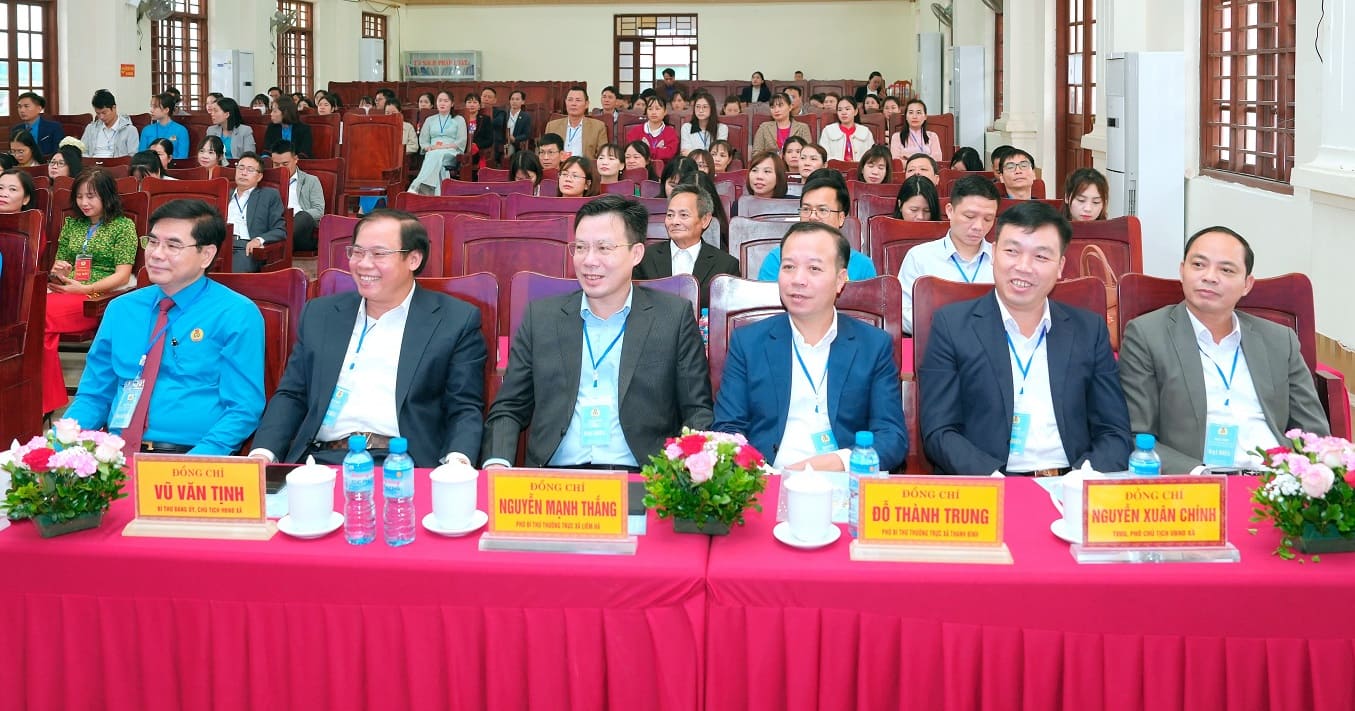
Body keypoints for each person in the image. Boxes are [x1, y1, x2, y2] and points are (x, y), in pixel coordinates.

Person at [482, 195, 714, 468]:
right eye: (581, 247)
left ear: (636, 254)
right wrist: (497, 463)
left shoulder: (672, 318)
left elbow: (697, 411)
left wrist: (685, 474)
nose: (589, 260)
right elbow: (509, 407)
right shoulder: (541, 318)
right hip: (554, 479)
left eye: (604, 248)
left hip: (641, 476)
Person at [250, 209, 485, 467]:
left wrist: (457, 463)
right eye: (357, 252)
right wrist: (262, 454)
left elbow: (464, 408)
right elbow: (292, 395)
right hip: (321, 461)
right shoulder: (320, 314)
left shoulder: (455, 320)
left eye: (378, 254)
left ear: (413, 259)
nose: (363, 264)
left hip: (405, 464)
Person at [918, 201, 1131, 475]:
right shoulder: (952, 326)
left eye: (1041, 256)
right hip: (990, 482)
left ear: (1060, 266)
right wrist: (996, 482)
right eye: (1012, 251)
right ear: (993, 253)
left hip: (1072, 479)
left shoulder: (1089, 330)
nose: (1024, 266)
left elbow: (1115, 432)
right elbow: (939, 431)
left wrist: (1081, 478)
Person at [1118, 227, 1329, 473]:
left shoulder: (1280, 340)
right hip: (1200, 480)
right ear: (1182, 271)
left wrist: (1299, 478)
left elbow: (1314, 434)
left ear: (1247, 284)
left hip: (1275, 481)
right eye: (1198, 265)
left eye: (1226, 270)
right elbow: (1136, 435)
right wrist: (1202, 476)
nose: (1210, 277)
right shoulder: (1147, 335)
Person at [63, 199, 265, 455]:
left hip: (190, 455)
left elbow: (243, 409)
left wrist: (191, 464)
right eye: (152, 241)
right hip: (115, 456)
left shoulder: (236, 313)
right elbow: (94, 396)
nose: (156, 254)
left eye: (173, 245)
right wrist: (56, 448)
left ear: (206, 255)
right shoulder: (121, 309)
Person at [715, 220, 907, 472]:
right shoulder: (748, 342)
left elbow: (891, 437)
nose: (798, 279)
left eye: (814, 268)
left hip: (844, 479)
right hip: (766, 479)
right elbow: (727, 430)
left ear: (840, 280)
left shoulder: (873, 345)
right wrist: (761, 474)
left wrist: (833, 463)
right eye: (789, 267)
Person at [41, 170, 139, 413]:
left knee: (39, 319)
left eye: (91, 196)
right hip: (66, 289)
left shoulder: (123, 226)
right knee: (30, 316)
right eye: (79, 196)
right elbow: (60, 264)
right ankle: (41, 397)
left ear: (107, 196)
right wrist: (60, 269)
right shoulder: (72, 225)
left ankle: (44, 400)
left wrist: (86, 288)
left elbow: (123, 275)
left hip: (98, 295)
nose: (84, 202)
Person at [896, 175, 1000, 333]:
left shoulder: (1002, 259)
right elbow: (902, 313)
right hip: (937, 342)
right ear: (950, 211)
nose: (979, 226)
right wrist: (951, 330)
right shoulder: (920, 257)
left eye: (988, 219)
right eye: (970, 217)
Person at [634, 184, 739, 309]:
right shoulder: (644, 258)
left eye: (683, 215)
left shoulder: (726, 265)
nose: (674, 222)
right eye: (670, 215)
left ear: (705, 220)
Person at [757, 173, 877, 282]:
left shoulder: (862, 266)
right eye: (806, 209)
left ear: (841, 218)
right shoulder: (778, 259)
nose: (813, 217)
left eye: (822, 210)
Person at [226, 152, 286, 273]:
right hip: (219, 245)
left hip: (246, 248)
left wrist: (259, 240)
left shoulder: (269, 195)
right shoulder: (224, 194)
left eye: (250, 170)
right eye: (241, 168)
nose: (243, 173)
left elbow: (280, 230)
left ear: (259, 177)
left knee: (232, 273)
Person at [269, 140, 323, 252]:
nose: (281, 168)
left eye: (285, 164)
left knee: (302, 216)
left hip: (300, 225)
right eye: (276, 164)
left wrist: (293, 217)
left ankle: (276, 243)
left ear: (296, 159)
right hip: (276, 221)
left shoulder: (311, 181)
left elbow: (319, 210)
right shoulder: (268, 181)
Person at [410, 90, 466, 195]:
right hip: (433, 151)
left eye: (446, 101)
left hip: (451, 152)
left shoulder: (459, 120)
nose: (442, 103)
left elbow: (461, 141)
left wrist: (442, 147)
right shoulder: (429, 120)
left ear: (452, 104)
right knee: (435, 157)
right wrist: (428, 147)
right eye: (440, 100)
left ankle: (418, 186)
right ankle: (436, 194)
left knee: (435, 154)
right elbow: (423, 140)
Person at [545, 85, 608, 162]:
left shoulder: (598, 127)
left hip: (585, 167)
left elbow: (603, 156)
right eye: (570, 100)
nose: (573, 104)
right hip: (560, 167)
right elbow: (545, 153)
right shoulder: (552, 126)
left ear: (586, 104)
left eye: (578, 100)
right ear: (566, 102)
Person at [81, 89, 138, 158]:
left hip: (117, 163)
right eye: (98, 113)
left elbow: (133, 157)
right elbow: (82, 152)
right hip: (94, 163)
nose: (101, 117)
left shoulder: (130, 130)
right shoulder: (90, 129)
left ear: (114, 108)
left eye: (104, 113)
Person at [136, 92, 189, 160]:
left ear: (166, 110)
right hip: (150, 166)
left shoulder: (181, 130)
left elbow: (182, 158)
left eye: (155, 107)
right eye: (151, 107)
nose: (151, 110)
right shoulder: (147, 130)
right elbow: (141, 156)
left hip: (173, 166)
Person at [819, 97, 873, 163]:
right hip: (834, 168)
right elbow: (823, 155)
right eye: (840, 110)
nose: (843, 112)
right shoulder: (828, 130)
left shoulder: (865, 131)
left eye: (847, 109)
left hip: (859, 168)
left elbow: (871, 156)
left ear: (855, 111)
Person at [626, 96, 679, 162]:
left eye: (657, 109)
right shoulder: (635, 131)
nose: (653, 112)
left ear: (665, 112)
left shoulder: (671, 132)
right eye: (650, 109)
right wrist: (660, 151)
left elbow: (669, 154)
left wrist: (645, 151)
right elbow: (633, 152)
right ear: (646, 111)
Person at [13, 91, 63, 157]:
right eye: (19, 107)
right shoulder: (16, 129)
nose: (22, 110)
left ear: (39, 109)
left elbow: (58, 152)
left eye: (26, 106)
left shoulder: (54, 127)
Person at [479, 86, 508, 165]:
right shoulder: (476, 111)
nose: (486, 99)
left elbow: (497, 123)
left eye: (489, 97)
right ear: (481, 98)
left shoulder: (500, 113)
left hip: (493, 142)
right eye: (484, 96)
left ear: (495, 100)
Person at [505, 90, 532, 157]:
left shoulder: (526, 116)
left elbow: (526, 134)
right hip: (502, 141)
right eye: (512, 99)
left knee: (509, 150)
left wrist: (515, 139)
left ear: (523, 102)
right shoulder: (504, 114)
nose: (514, 101)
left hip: (515, 143)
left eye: (517, 99)